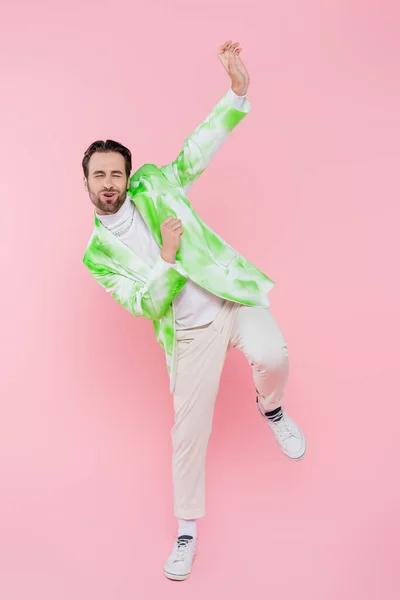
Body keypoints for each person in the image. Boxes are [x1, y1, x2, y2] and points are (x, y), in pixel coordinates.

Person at [82, 40, 306, 581]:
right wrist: (166, 258)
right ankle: (187, 529)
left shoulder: (157, 182)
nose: (109, 184)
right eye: (99, 176)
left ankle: (270, 409)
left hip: (229, 292)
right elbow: (144, 303)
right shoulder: (97, 257)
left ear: (127, 176)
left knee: (274, 356)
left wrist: (236, 93)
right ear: (86, 183)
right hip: (188, 330)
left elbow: (194, 153)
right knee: (188, 434)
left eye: (116, 174)